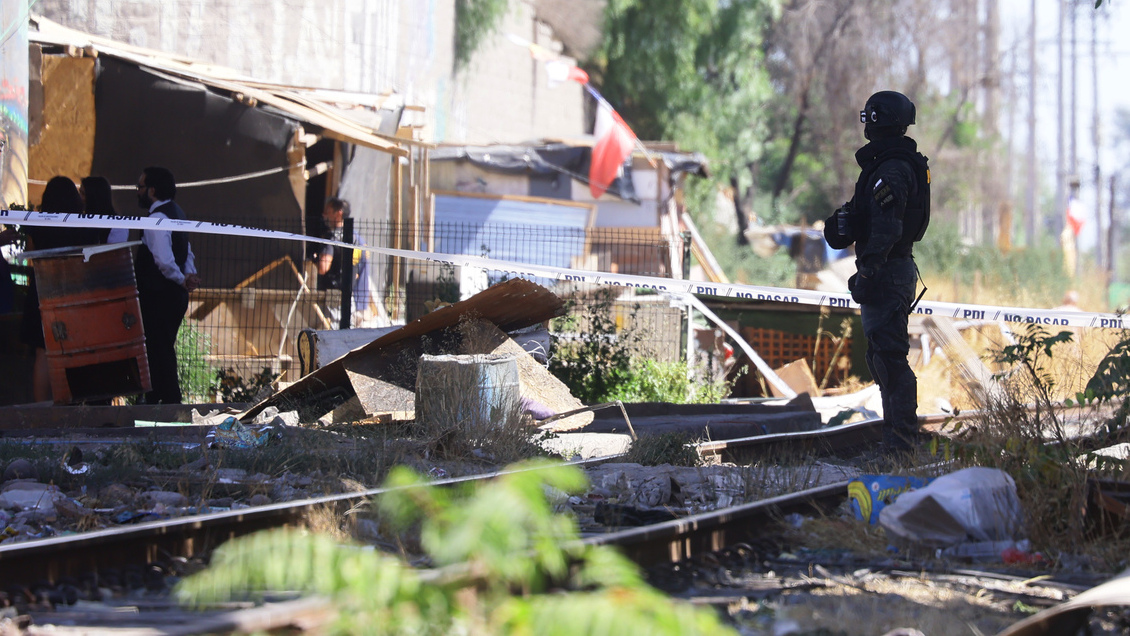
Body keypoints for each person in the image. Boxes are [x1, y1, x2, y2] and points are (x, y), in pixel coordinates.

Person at [824, 90, 931, 451]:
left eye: (869, 117)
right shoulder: (885, 166)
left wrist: (869, 270)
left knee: (890, 361)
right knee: (882, 358)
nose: (866, 125)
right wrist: (841, 225)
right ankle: (896, 442)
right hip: (889, 269)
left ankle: (901, 446)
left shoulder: (892, 169)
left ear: (879, 120)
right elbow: (861, 217)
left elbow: (888, 227)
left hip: (887, 270)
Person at [20, 176, 105, 402]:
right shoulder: (85, 225)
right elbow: (92, 257)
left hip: (42, 291)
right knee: (72, 351)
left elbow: (31, 257)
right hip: (74, 292)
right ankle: (69, 408)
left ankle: (42, 411)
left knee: (42, 352)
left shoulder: (38, 223)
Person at [135, 166, 201, 404]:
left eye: (140, 187)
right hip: (174, 294)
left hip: (158, 294)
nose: (138, 192)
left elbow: (163, 259)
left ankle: (166, 401)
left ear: (152, 190)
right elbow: (187, 250)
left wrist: (181, 277)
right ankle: (158, 400)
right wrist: (187, 275)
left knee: (157, 349)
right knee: (161, 347)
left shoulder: (157, 219)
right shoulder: (178, 213)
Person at [314, 197, 372, 322]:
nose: (324, 215)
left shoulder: (333, 238)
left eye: (328, 212)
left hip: (336, 301)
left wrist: (314, 259)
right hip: (358, 304)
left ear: (338, 213)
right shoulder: (359, 240)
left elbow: (323, 267)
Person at [81, 175, 129, 244]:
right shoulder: (79, 221)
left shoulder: (117, 226)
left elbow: (115, 253)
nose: (80, 197)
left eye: (83, 194)